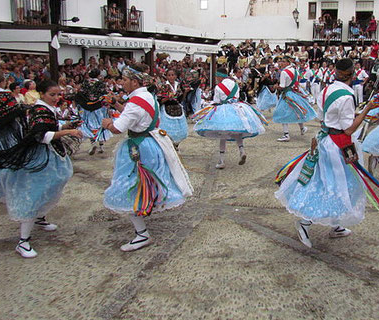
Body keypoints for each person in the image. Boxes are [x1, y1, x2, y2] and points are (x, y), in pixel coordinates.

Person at [275, 58, 379, 248]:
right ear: (352, 74)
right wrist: (367, 109)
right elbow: (348, 129)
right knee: (335, 185)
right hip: (338, 145)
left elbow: (322, 117)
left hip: (325, 140)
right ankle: (305, 223)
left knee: (329, 182)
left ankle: (335, 225)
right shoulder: (347, 95)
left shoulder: (327, 90)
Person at [101, 64, 193, 252]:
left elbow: (119, 127)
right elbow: (133, 114)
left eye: (125, 80)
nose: (122, 83)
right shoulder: (146, 96)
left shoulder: (136, 102)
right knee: (145, 183)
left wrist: (108, 123)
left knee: (130, 186)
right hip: (151, 142)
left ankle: (142, 234)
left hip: (139, 146)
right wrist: (116, 105)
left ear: (134, 81)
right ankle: (144, 216)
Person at [0, 79, 82, 258]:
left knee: (53, 184)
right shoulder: (39, 109)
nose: (57, 98)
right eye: (52, 94)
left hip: (49, 156)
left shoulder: (45, 108)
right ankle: (23, 241)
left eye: (58, 94)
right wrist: (67, 132)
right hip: (39, 157)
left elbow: (49, 126)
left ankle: (40, 217)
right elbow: (41, 135)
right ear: (42, 94)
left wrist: (65, 126)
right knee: (34, 192)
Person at [193, 68, 266, 169]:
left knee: (223, 136)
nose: (216, 79)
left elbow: (217, 101)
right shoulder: (235, 84)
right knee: (237, 132)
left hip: (223, 111)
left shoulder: (218, 87)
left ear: (219, 76)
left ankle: (222, 161)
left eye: (216, 77)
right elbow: (237, 97)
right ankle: (242, 151)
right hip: (236, 109)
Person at [273, 57, 317, 142]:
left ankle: (286, 134)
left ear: (287, 63)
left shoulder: (284, 72)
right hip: (294, 93)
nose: (280, 63)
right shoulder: (295, 70)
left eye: (282, 61)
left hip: (287, 94)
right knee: (297, 110)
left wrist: (276, 86)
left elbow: (282, 86)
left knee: (283, 113)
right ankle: (302, 128)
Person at [74, 69, 111, 155]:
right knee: (100, 125)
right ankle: (101, 146)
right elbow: (104, 94)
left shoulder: (85, 83)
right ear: (98, 75)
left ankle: (93, 143)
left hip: (87, 107)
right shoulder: (101, 84)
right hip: (99, 107)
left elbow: (80, 94)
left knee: (90, 125)